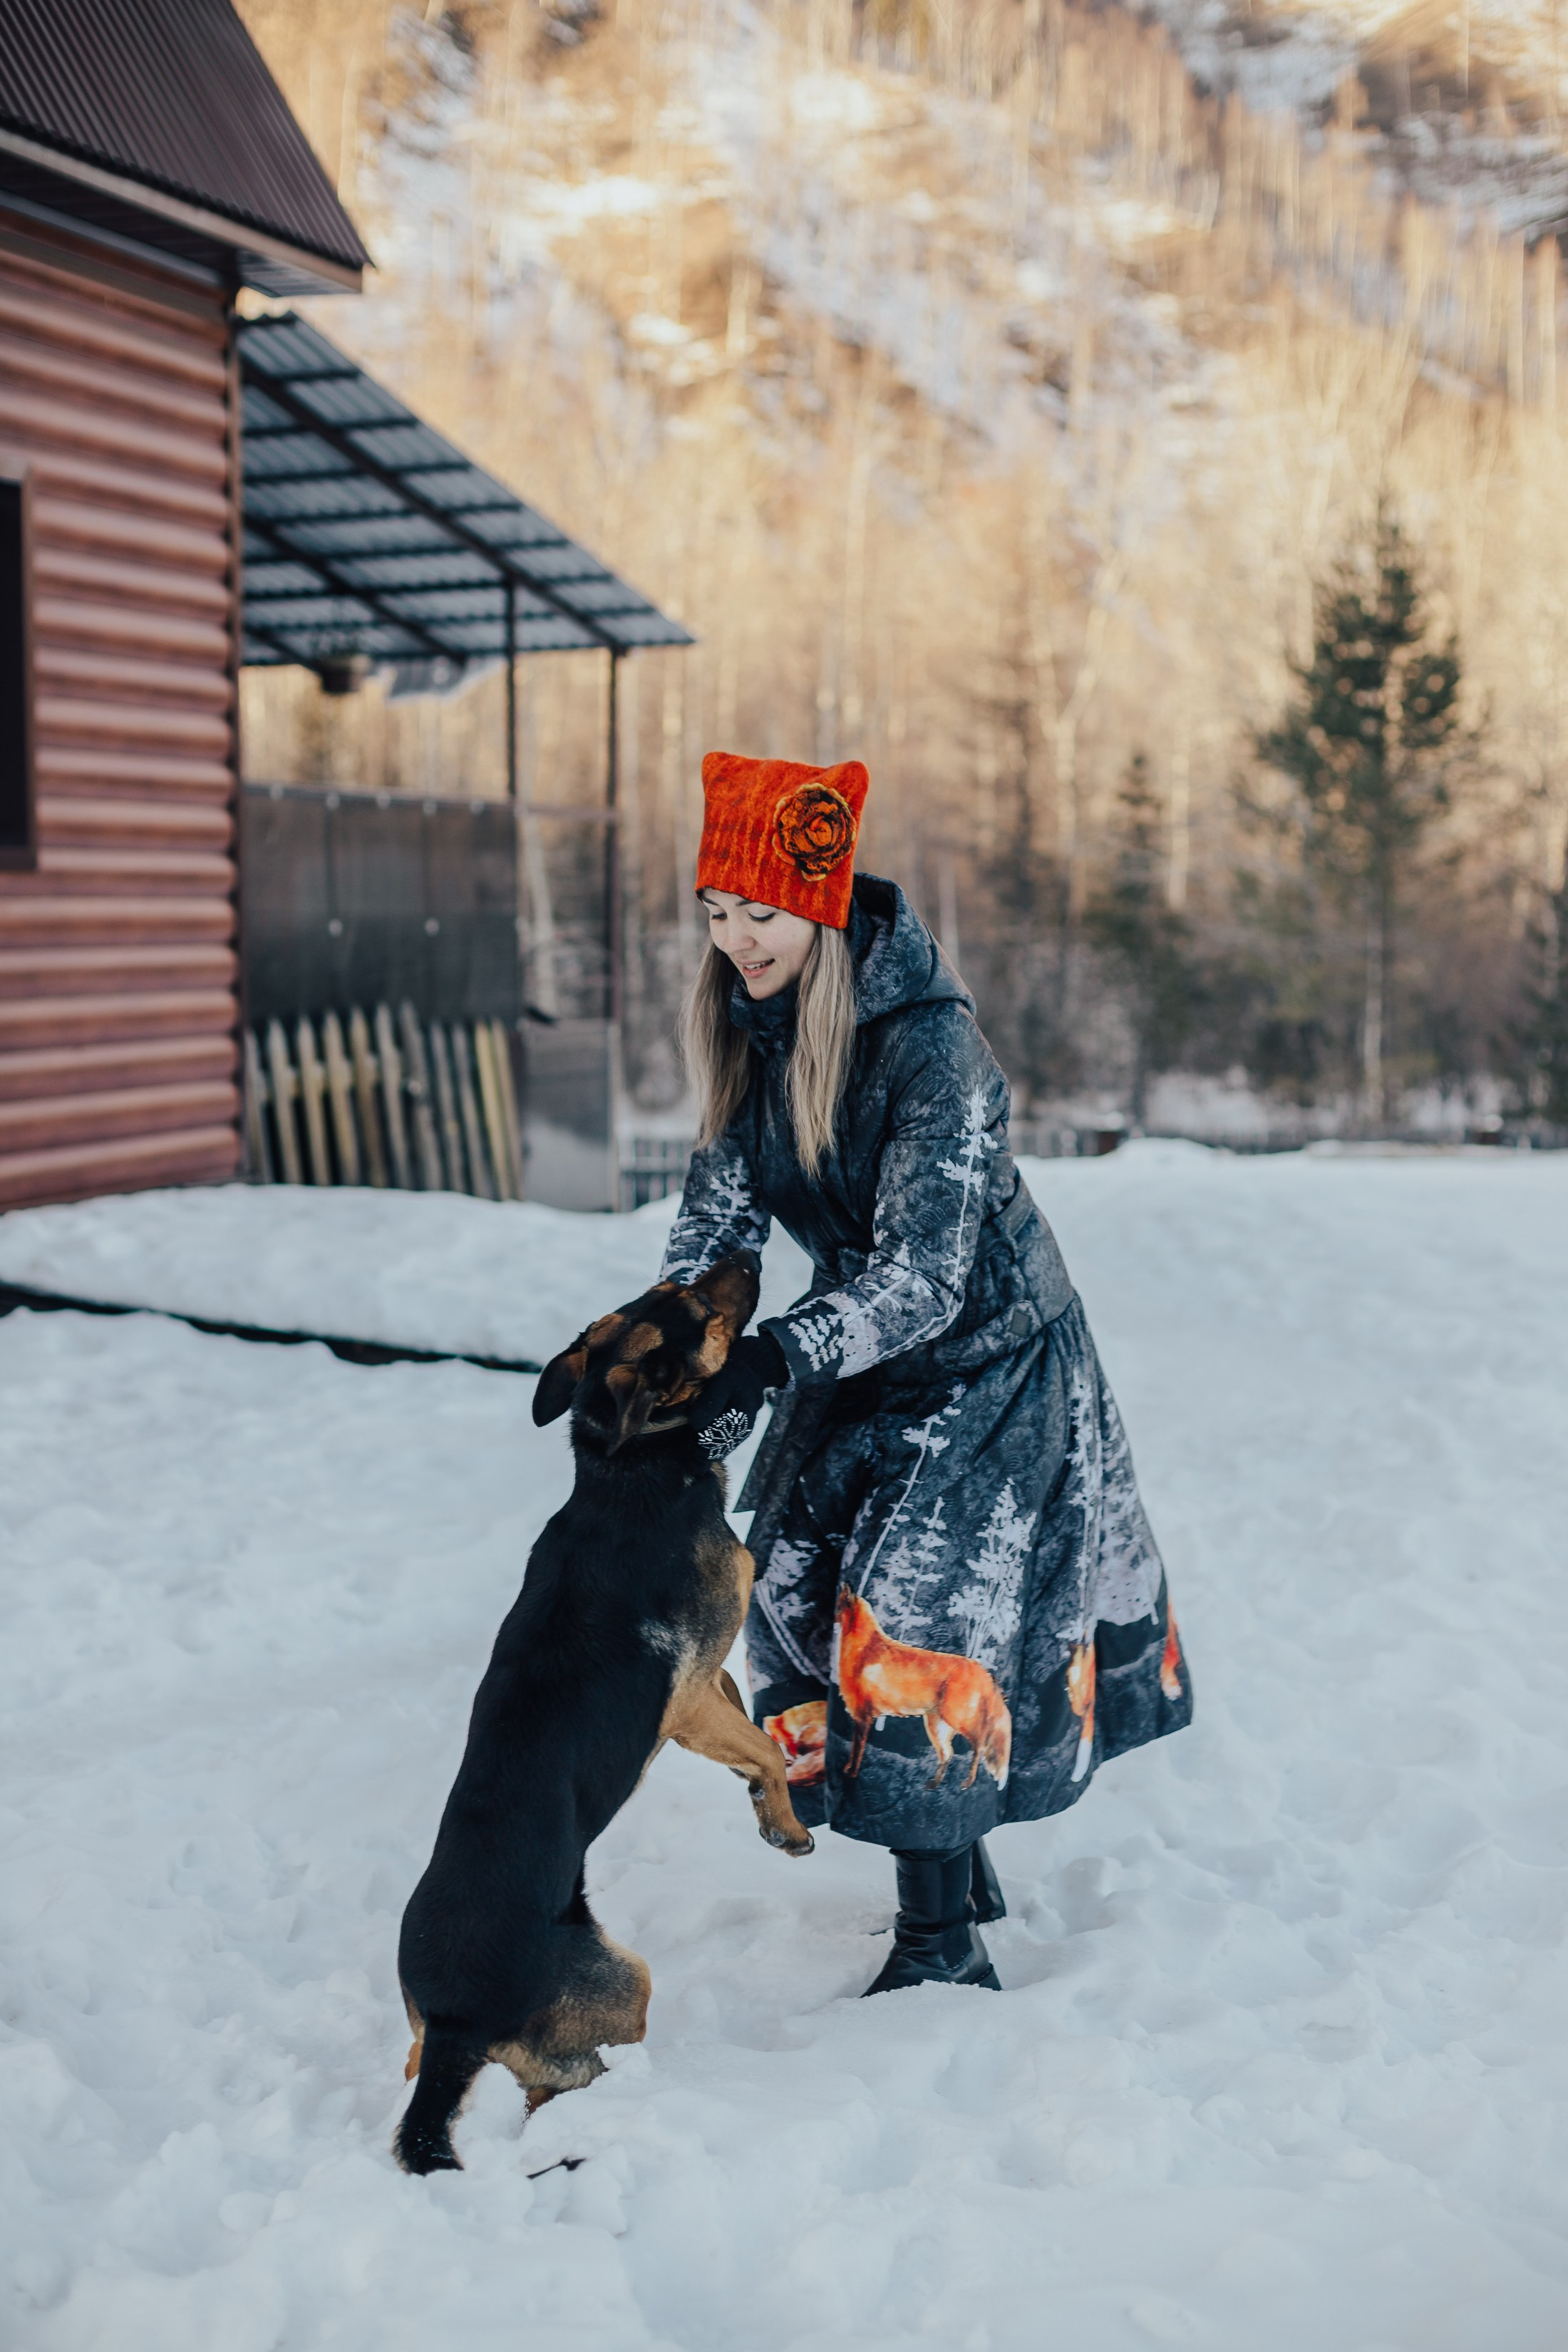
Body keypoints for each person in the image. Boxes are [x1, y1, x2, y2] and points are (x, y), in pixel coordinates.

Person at [663, 751, 1192, 1994]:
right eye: (718, 912)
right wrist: (677, 1350)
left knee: (918, 1612)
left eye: (762, 913)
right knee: (789, 1581)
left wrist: (777, 1358)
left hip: (994, 1357)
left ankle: (939, 1946)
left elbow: (928, 1277)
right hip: (866, 1353)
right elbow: (716, 1228)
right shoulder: (748, 1028)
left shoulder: (929, 1048)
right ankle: (951, 1859)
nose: (737, 939)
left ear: (825, 906)